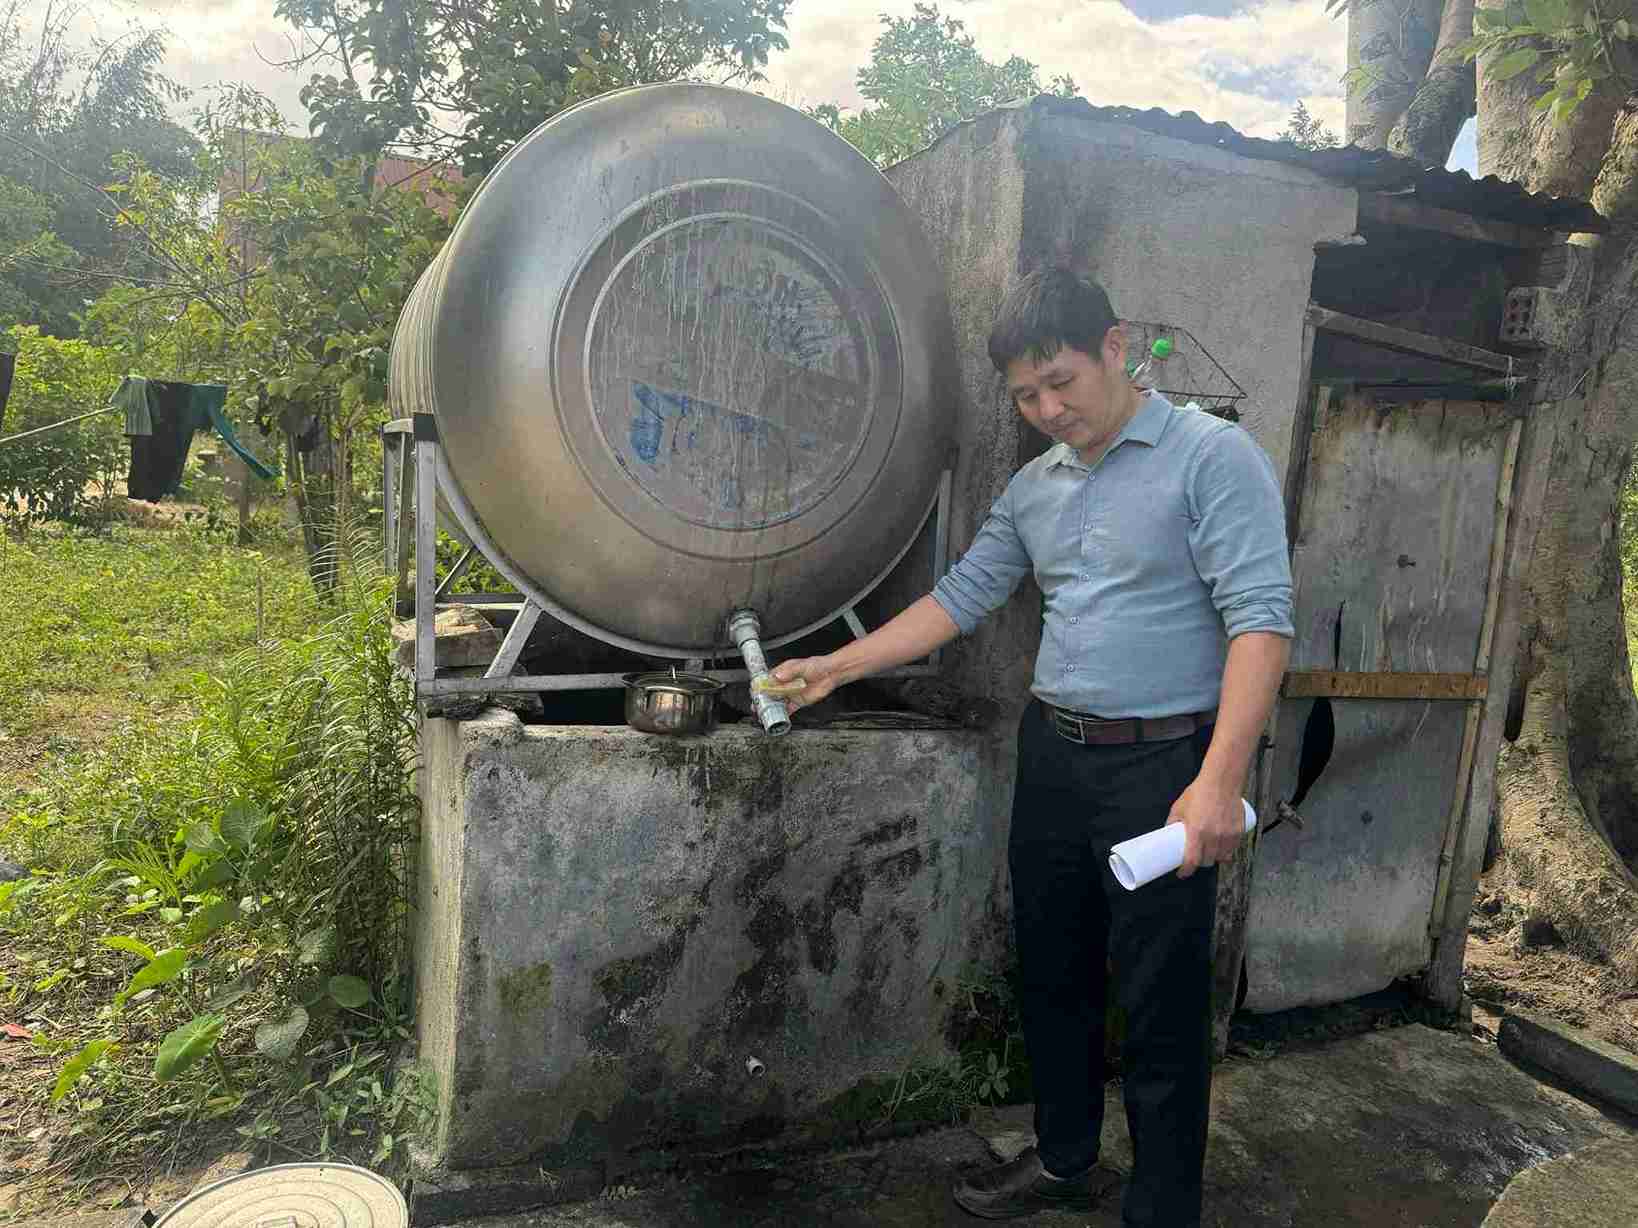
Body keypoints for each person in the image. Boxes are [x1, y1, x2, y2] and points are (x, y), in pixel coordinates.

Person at [767, 268, 1293, 1225]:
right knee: (1052, 968)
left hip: (1164, 765)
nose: (1047, 408)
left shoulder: (1211, 458)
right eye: (1025, 394)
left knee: (1161, 999)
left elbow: (1262, 623)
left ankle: (1163, 1206)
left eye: (1062, 381)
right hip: (1055, 754)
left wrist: (1220, 782)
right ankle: (1063, 1161)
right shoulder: (1033, 486)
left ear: (1117, 347)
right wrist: (838, 667)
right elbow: (961, 598)